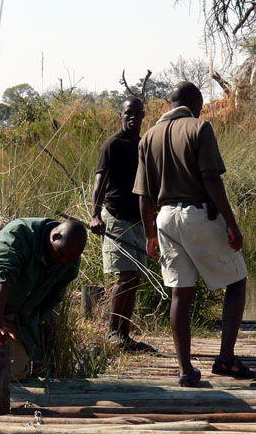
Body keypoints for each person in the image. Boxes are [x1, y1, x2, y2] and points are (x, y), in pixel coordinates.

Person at [133, 81, 256, 387]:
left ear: (170, 104)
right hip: (197, 215)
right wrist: (232, 223)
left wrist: (149, 234)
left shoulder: (147, 138)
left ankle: (185, 370)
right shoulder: (200, 128)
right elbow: (211, 178)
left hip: (164, 219)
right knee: (237, 279)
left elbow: (143, 193)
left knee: (180, 292)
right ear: (195, 102)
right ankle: (226, 358)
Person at [0, 218, 88, 379]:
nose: (64, 261)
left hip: (14, 311)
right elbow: (2, 280)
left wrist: (32, 320)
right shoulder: (20, 235)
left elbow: (53, 298)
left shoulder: (70, 257)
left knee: (14, 374)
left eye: (69, 258)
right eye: (61, 254)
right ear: (55, 236)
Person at [90, 96, 156, 352]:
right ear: (121, 115)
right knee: (126, 275)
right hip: (116, 217)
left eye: (138, 114)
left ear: (143, 116)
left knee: (135, 278)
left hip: (138, 220)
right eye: (129, 113)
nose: (133, 118)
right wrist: (95, 215)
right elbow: (100, 182)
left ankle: (124, 336)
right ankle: (111, 334)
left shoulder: (141, 145)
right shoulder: (112, 144)